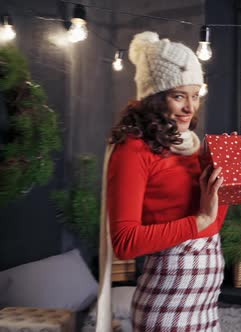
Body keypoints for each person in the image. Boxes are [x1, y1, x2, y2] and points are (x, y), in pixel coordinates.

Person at [95, 31, 230, 332]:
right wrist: (201, 219)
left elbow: (211, 225)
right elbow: (125, 244)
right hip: (167, 307)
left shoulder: (195, 146)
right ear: (155, 98)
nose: (190, 108)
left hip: (206, 302)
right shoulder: (133, 149)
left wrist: (227, 189)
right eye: (179, 95)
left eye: (195, 96)